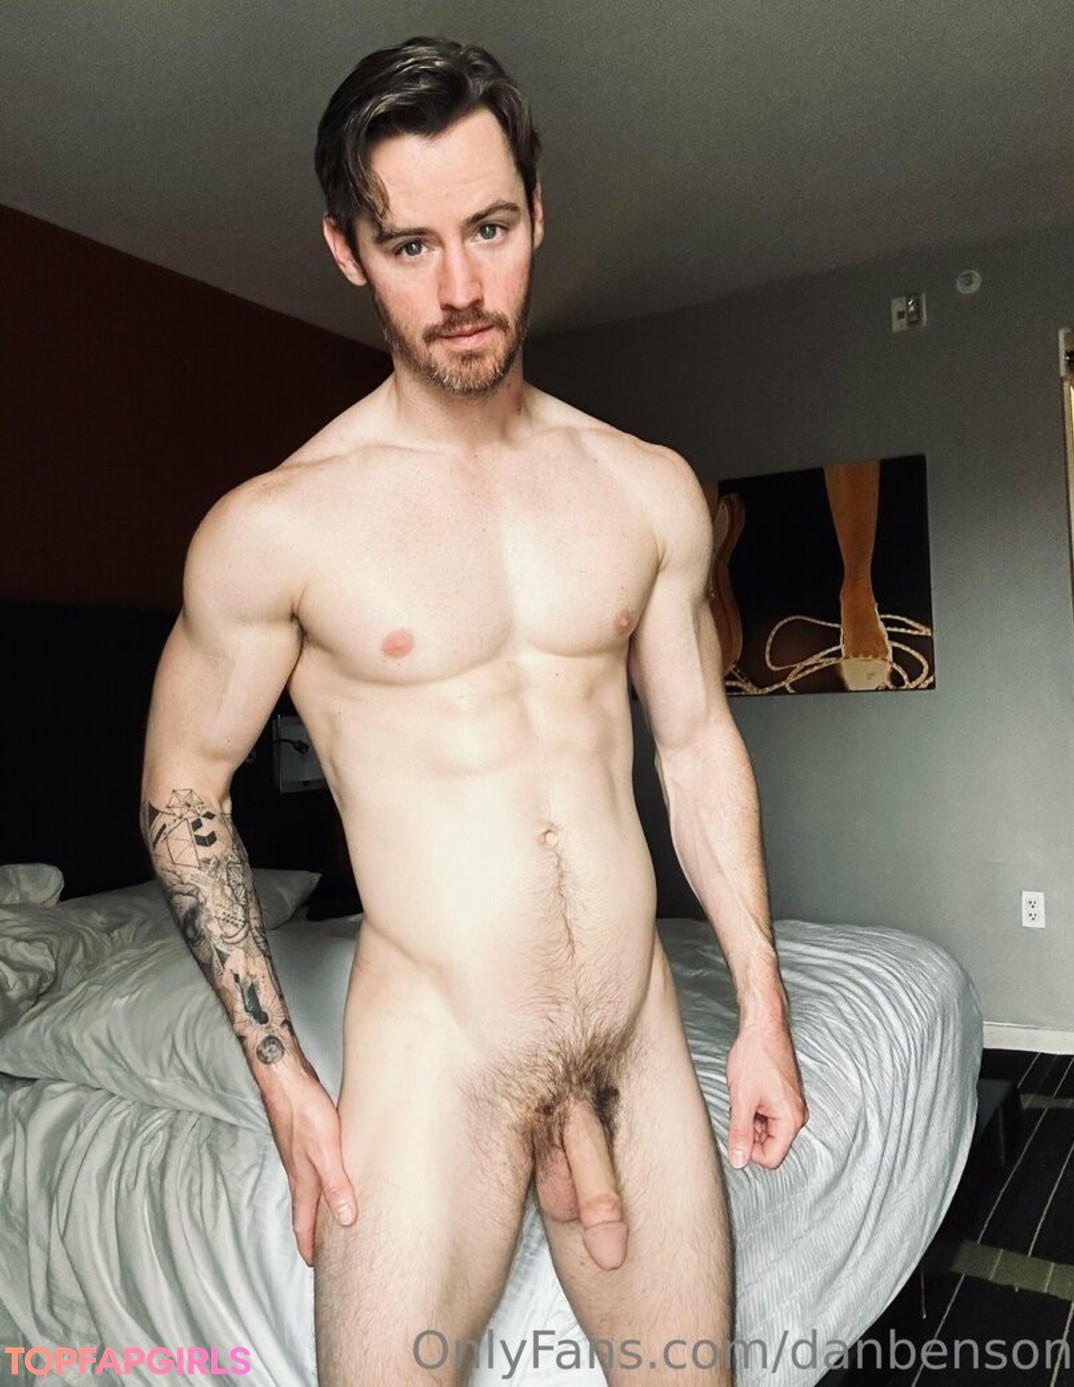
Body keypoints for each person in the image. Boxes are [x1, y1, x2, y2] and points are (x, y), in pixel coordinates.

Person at [140, 36, 807, 1386]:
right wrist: (283, 1080)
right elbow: (182, 794)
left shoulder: (644, 488)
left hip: (634, 1036)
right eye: (410, 245)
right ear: (347, 249)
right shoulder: (276, 530)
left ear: (538, 215)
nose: (459, 290)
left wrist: (764, 1004)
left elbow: (694, 745)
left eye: (490, 230)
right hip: (436, 1063)